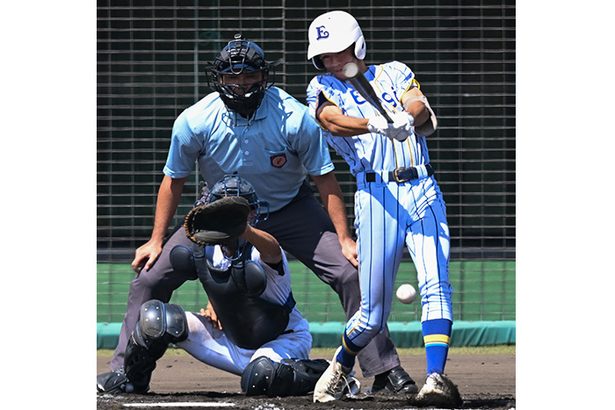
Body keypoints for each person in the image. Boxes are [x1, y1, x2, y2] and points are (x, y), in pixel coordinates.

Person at [102, 33, 417, 395]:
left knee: (350, 273)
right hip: (218, 213)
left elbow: (325, 181)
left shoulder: (296, 118)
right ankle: (125, 373)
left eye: (249, 75)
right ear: (218, 78)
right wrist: (155, 240)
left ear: (264, 76)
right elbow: (173, 182)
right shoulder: (194, 121)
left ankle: (383, 369)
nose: (241, 83)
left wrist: (345, 239)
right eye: (232, 76)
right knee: (149, 278)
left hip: (289, 208)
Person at [305, 10, 462, 407]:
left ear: (356, 44)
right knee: (372, 313)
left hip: (421, 185)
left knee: (435, 282)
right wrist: (374, 124)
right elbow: (331, 119)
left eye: (339, 52)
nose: (333, 62)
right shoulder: (321, 85)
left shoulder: (394, 71)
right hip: (375, 197)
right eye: (325, 56)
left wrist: (405, 120)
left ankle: (436, 378)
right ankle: (341, 364)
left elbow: (418, 104)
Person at [97, 176, 360, 397]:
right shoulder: (203, 248)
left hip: (281, 340)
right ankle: (132, 382)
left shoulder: (263, 248)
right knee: (155, 318)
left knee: (259, 378)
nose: (225, 216)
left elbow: (271, 249)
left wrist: (241, 228)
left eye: (236, 211)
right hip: (230, 340)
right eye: (219, 210)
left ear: (253, 213)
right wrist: (215, 304)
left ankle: (325, 373)